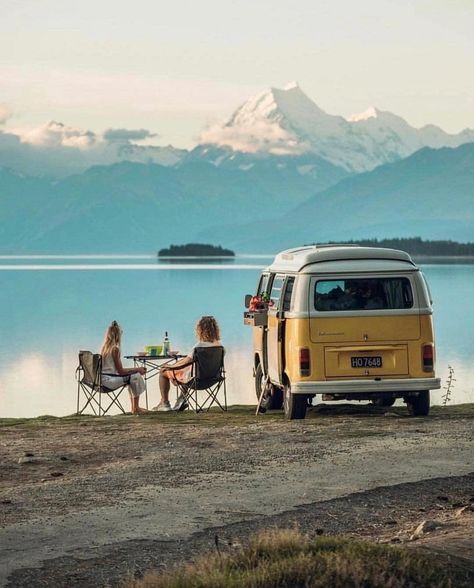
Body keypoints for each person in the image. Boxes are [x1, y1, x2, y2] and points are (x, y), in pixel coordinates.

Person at [153, 316, 222, 412]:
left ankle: (165, 403)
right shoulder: (220, 346)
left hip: (197, 381)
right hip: (213, 379)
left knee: (163, 371)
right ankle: (181, 400)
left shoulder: (199, 346)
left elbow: (186, 361)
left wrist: (170, 367)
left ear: (200, 330)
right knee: (187, 372)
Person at [100, 320, 147, 414]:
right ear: (118, 336)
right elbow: (121, 372)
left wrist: (135, 370)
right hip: (109, 382)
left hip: (101, 380)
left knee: (131, 378)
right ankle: (135, 408)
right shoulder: (115, 349)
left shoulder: (104, 348)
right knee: (136, 377)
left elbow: (118, 371)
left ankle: (134, 407)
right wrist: (138, 369)